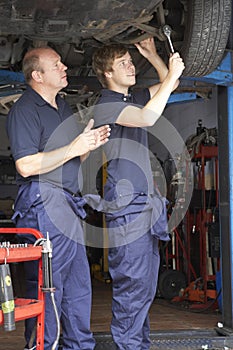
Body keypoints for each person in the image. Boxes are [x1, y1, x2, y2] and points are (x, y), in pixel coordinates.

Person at [6, 47, 110, 350]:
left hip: (68, 203)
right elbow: (25, 165)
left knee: (78, 286)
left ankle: (79, 346)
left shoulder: (62, 107)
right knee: (49, 286)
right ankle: (44, 345)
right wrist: (75, 147)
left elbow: (70, 156)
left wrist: (88, 143)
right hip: (44, 202)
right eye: (57, 64)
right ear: (37, 76)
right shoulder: (24, 111)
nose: (65, 67)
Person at [91, 37, 185, 349]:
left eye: (132, 61)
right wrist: (170, 74)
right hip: (128, 212)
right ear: (107, 73)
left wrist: (156, 57)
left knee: (143, 290)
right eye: (123, 63)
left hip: (145, 209)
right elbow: (149, 117)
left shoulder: (133, 98)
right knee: (132, 290)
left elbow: (167, 85)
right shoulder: (106, 105)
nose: (131, 67)